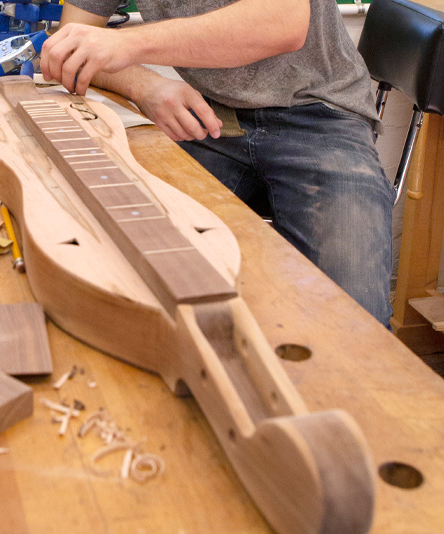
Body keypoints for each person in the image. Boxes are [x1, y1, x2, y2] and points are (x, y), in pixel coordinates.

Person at [40, 0, 394, 326]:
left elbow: (282, 22)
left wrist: (126, 44)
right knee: (130, 260)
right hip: (213, 119)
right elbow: (73, 41)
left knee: (357, 317)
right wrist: (144, 87)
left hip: (321, 117)